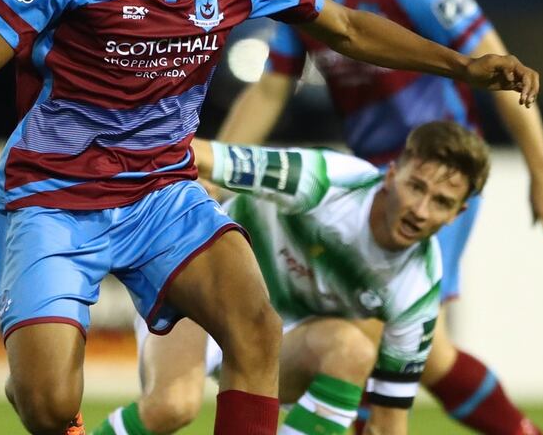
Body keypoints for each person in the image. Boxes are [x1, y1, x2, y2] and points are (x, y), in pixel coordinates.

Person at [0, 0, 540, 434]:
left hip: (163, 194)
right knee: (47, 403)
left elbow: (344, 27)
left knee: (255, 330)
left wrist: (462, 66)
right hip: (56, 196)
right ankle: (45, 395)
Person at [214, 0, 543, 433]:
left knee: (375, 336)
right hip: (374, 183)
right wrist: (215, 174)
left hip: (434, 183)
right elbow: (270, 90)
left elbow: (501, 70)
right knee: (409, 351)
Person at [94, 121, 492, 435]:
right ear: (391, 176)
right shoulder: (329, 182)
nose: (420, 210)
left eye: (440, 202)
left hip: (276, 345)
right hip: (205, 295)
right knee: (172, 406)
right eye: (415, 187)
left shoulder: (419, 287)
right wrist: (105, 152)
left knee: (353, 350)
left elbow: (388, 423)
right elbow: (208, 157)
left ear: (457, 215)